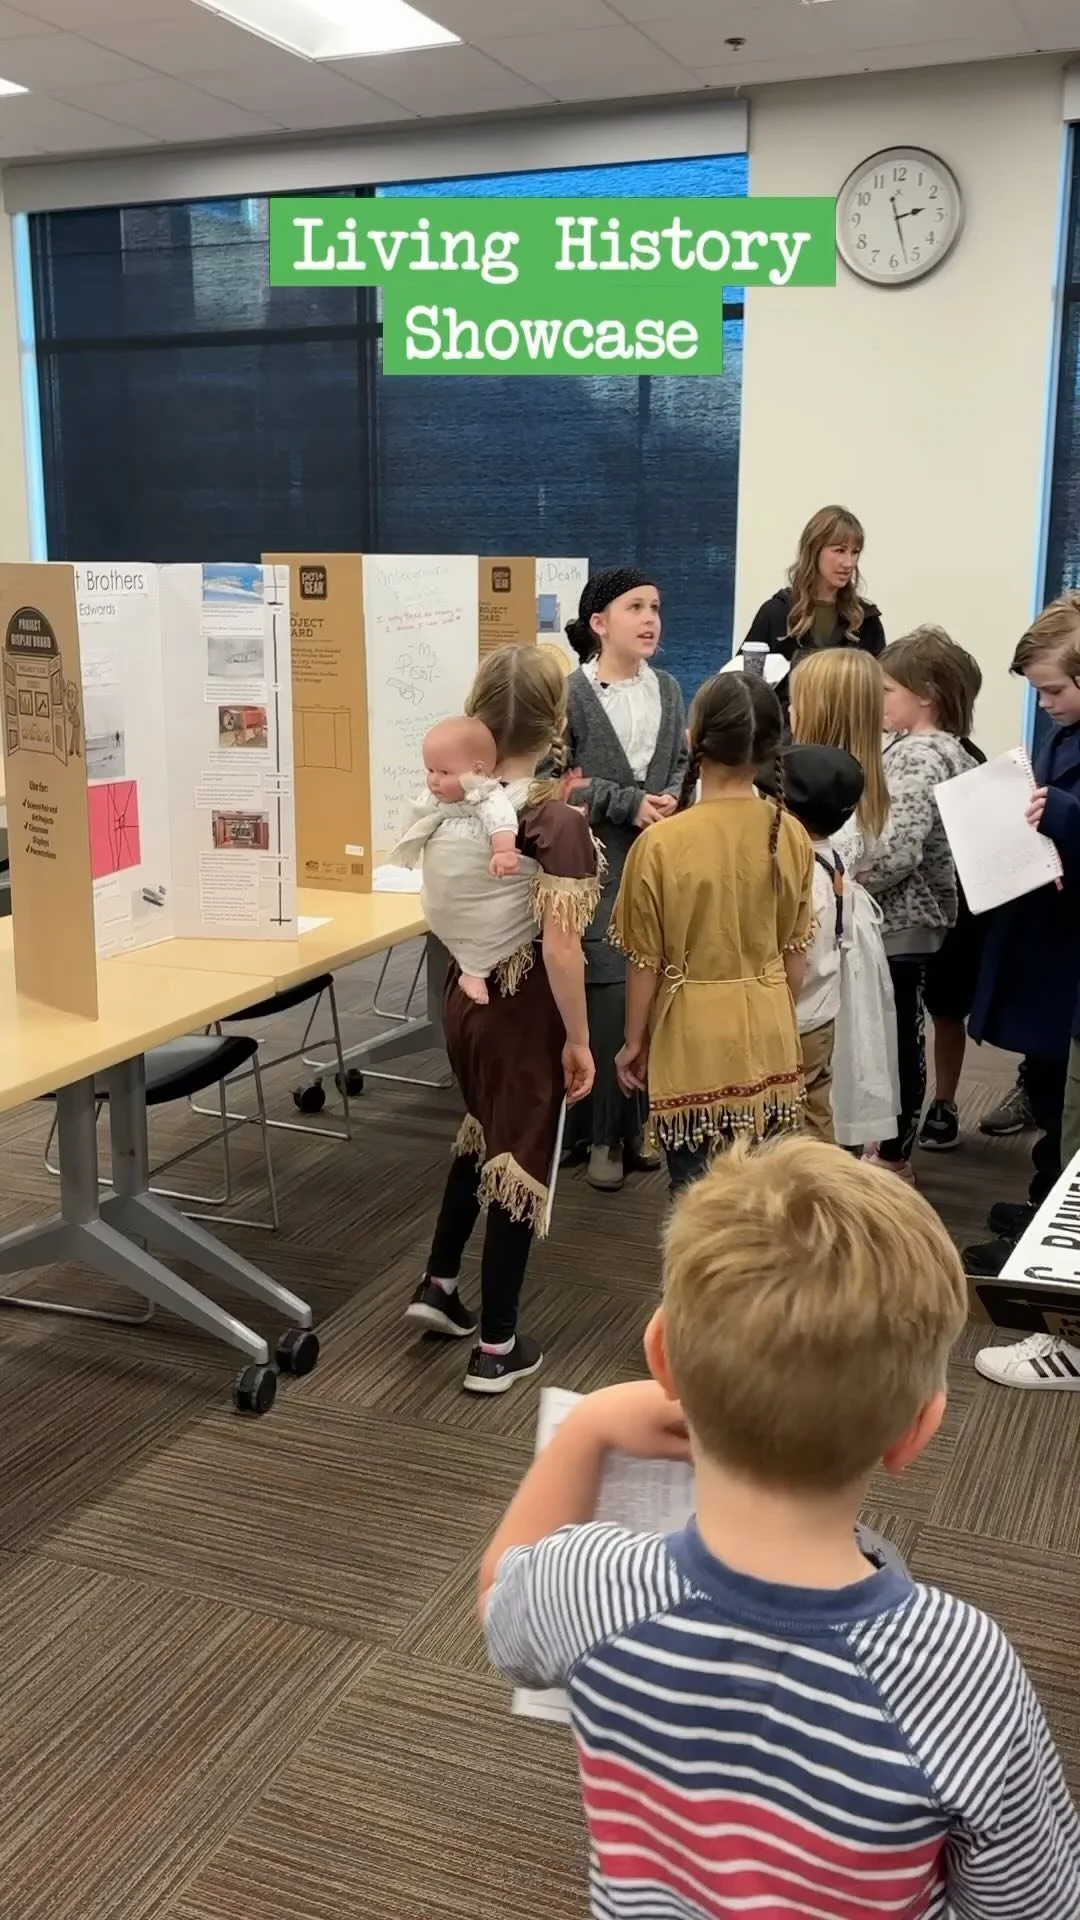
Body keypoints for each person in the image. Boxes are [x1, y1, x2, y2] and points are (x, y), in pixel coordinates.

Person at [480, 1137, 1080, 1918]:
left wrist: (587, 1429)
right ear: (918, 1429)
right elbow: (1032, 1907)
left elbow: (499, 1598)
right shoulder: (960, 1674)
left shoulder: (592, 1587)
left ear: (660, 1354)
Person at [404, 646, 602, 1396]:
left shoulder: (448, 805)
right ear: (556, 723)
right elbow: (562, 948)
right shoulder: (551, 820)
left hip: (465, 991)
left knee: (480, 1132)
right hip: (525, 1010)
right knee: (521, 1159)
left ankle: (439, 1282)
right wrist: (580, 1039)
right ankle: (497, 1344)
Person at [609, 673, 812, 1194]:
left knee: (697, 1203)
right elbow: (795, 956)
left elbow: (643, 962)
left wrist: (635, 1041)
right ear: (772, 745)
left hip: (691, 1036)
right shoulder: (788, 831)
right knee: (765, 1198)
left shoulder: (660, 844)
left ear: (691, 738)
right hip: (768, 1033)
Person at [965, 591, 1080, 1293]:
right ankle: (1044, 1199)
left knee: (1067, 1094)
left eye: (1054, 690)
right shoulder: (1065, 730)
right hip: (1047, 927)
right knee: (1046, 1077)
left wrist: (1061, 813)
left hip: (1070, 939)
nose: (1044, 704)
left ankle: (1053, 1238)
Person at [560, 567, 687, 1193]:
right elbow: (553, 782)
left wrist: (668, 799)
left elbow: (681, 762)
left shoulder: (667, 686)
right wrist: (624, 801)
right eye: (635, 607)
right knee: (609, 993)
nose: (650, 619)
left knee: (653, 988)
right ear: (599, 623)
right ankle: (601, 1134)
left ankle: (638, 1124)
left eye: (656, 607)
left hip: (658, 862)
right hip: (596, 867)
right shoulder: (570, 693)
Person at [861, 632, 977, 1179]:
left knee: (894, 1041)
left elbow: (898, 851)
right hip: (912, 921)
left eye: (888, 690)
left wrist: (846, 883)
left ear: (925, 694)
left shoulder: (918, 755)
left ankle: (891, 1153)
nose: (879, 700)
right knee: (899, 1034)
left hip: (900, 921)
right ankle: (891, 1145)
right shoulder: (936, 748)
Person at [758, 744, 865, 1141]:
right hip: (823, 1015)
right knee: (816, 1109)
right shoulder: (834, 864)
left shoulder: (799, 877)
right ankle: (824, 1181)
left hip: (793, 1021)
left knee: (781, 1123)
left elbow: (790, 954)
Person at [390, 713, 520, 1006]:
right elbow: (417, 815)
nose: (434, 780)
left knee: (481, 920)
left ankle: (474, 970)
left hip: (474, 887)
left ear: (477, 770)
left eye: (444, 773)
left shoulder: (485, 796)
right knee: (446, 913)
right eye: (430, 770)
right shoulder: (436, 798)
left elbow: (501, 819)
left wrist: (503, 850)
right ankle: (466, 963)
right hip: (441, 890)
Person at [917, 639, 987, 1150]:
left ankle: (944, 1099)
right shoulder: (893, 749)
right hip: (910, 905)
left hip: (955, 904)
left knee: (945, 1008)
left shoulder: (969, 759)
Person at [741, 505, 885, 709]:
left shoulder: (865, 621)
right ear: (814, 550)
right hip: (785, 737)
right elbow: (741, 687)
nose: (848, 562)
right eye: (839, 551)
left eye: (855, 552)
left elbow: (880, 692)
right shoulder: (776, 613)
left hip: (846, 737)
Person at [788, 645, 891, 870]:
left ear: (818, 715)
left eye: (796, 702)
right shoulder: (870, 797)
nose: (789, 709)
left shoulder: (827, 816)